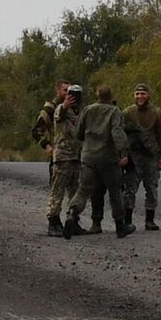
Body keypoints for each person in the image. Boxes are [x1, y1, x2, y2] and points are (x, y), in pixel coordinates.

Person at [62, 85, 146, 238]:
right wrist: (123, 152)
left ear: (97, 96)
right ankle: (120, 225)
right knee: (115, 192)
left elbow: (79, 133)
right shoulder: (114, 111)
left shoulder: (87, 110)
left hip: (88, 157)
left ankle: (72, 215)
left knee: (83, 190)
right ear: (110, 96)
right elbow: (117, 132)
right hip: (108, 158)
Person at [121, 83, 161, 231]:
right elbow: (120, 134)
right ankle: (127, 220)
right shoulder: (127, 113)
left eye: (142, 94)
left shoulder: (157, 112)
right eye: (137, 94)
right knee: (130, 189)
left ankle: (150, 220)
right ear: (133, 96)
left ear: (148, 95)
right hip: (133, 157)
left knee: (152, 189)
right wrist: (123, 155)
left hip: (151, 156)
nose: (140, 97)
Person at [42, 83, 83, 234]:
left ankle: (72, 221)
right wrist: (65, 105)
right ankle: (53, 222)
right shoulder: (60, 108)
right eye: (69, 92)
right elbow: (60, 114)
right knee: (57, 191)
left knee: (75, 192)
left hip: (76, 156)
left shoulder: (79, 113)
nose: (72, 96)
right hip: (62, 157)